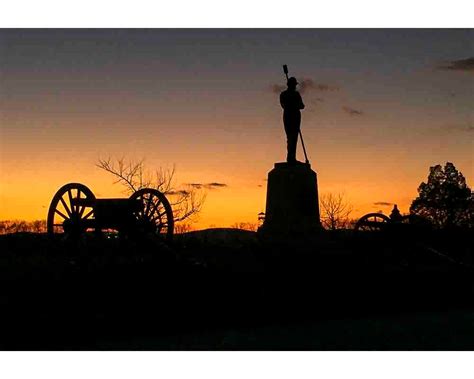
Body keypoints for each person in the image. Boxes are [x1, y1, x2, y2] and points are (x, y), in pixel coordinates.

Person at [280, 77, 305, 164]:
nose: (295, 86)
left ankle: (291, 157)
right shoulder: (285, 94)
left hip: (295, 117)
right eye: (294, 85)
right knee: (291, 138)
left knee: (293, 138)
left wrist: (295, 104)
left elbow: (302, 106)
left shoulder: (295, 94)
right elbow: (283, 105)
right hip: (289, 117)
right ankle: (290, 158)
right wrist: (293, 104)